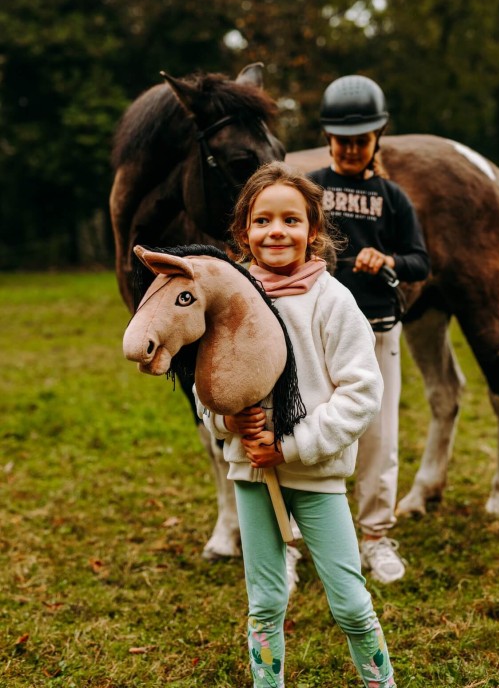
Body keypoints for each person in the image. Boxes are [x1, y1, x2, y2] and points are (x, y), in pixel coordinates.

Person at [198, 161, 397, 688]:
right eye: (263, 221)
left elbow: (362, 391)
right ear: (244, 233)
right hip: (252, 478)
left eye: (291, 220)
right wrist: (227, 419)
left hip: (316, 477)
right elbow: (209, 388)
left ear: (313, 232)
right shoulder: (231, 303)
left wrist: (289, 446)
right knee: (265, 605)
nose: (276, 231)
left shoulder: (333, 301)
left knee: (351, 603)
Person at [308, 75, 430, 584]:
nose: (352, 148)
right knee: (310, 432)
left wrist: (389, 258)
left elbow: (420, 262)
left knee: (380, 436)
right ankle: (300, 538)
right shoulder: (309, 190)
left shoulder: (393, 197)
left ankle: (376, 536)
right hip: (317, 334)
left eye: (362, 139)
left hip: (380, 330)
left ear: (377, 137)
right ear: (329, 137)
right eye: (343, 138)